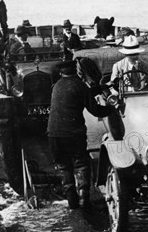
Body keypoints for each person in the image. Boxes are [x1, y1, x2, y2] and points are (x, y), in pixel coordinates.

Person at [47, 60, 113, 210]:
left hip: (53, 134)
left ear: (61, 72)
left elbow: (74, 96)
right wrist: (110, 108)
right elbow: (95, 109)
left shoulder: (56, 86)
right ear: (76, 72)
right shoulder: (79, 85)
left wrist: (95, 90)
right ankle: (84, 199)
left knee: (64, 166)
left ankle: (72, 202)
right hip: (73, 133)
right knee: (81, 163)